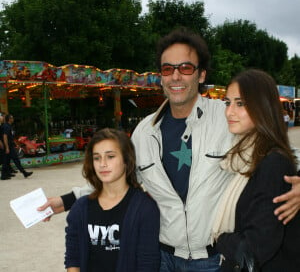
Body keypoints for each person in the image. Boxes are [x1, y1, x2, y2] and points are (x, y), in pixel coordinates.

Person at [38, 28, 300, 271]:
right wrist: (65, 201)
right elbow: (119, 176)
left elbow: (272, 150)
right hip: (161, 257)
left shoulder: (228, 118)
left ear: (201, 74)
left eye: (185, 68)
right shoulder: (144, 132)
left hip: (213, 258)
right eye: (167, 68)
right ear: (160, 76)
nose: (176, 76)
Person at [211, 69, 300, 271]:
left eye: (240, 103)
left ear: (262, 107)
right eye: (228, 102)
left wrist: (221, 238)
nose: (229, 111)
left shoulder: (273, 163)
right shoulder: (245, 156)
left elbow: (255, 247)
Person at [64, 128, 160, 272]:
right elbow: (73, 258)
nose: (102, 164)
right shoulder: (80, 208)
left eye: (110, 156)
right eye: (96, 158)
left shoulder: (144, 208)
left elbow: (147, 263)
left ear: (126, 160)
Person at [2, 114, 33, 179]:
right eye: (12, 118)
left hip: (10, 145)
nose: (13, 119)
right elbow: (5, 137)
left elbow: (10, 138)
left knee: (6, 161)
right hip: (8, 146)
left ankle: (4, 175)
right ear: (9, 119)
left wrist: (16, 145)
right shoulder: (6, 126)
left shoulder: (9, 126)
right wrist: (7, 147)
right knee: (15, 159)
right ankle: (24, 173)